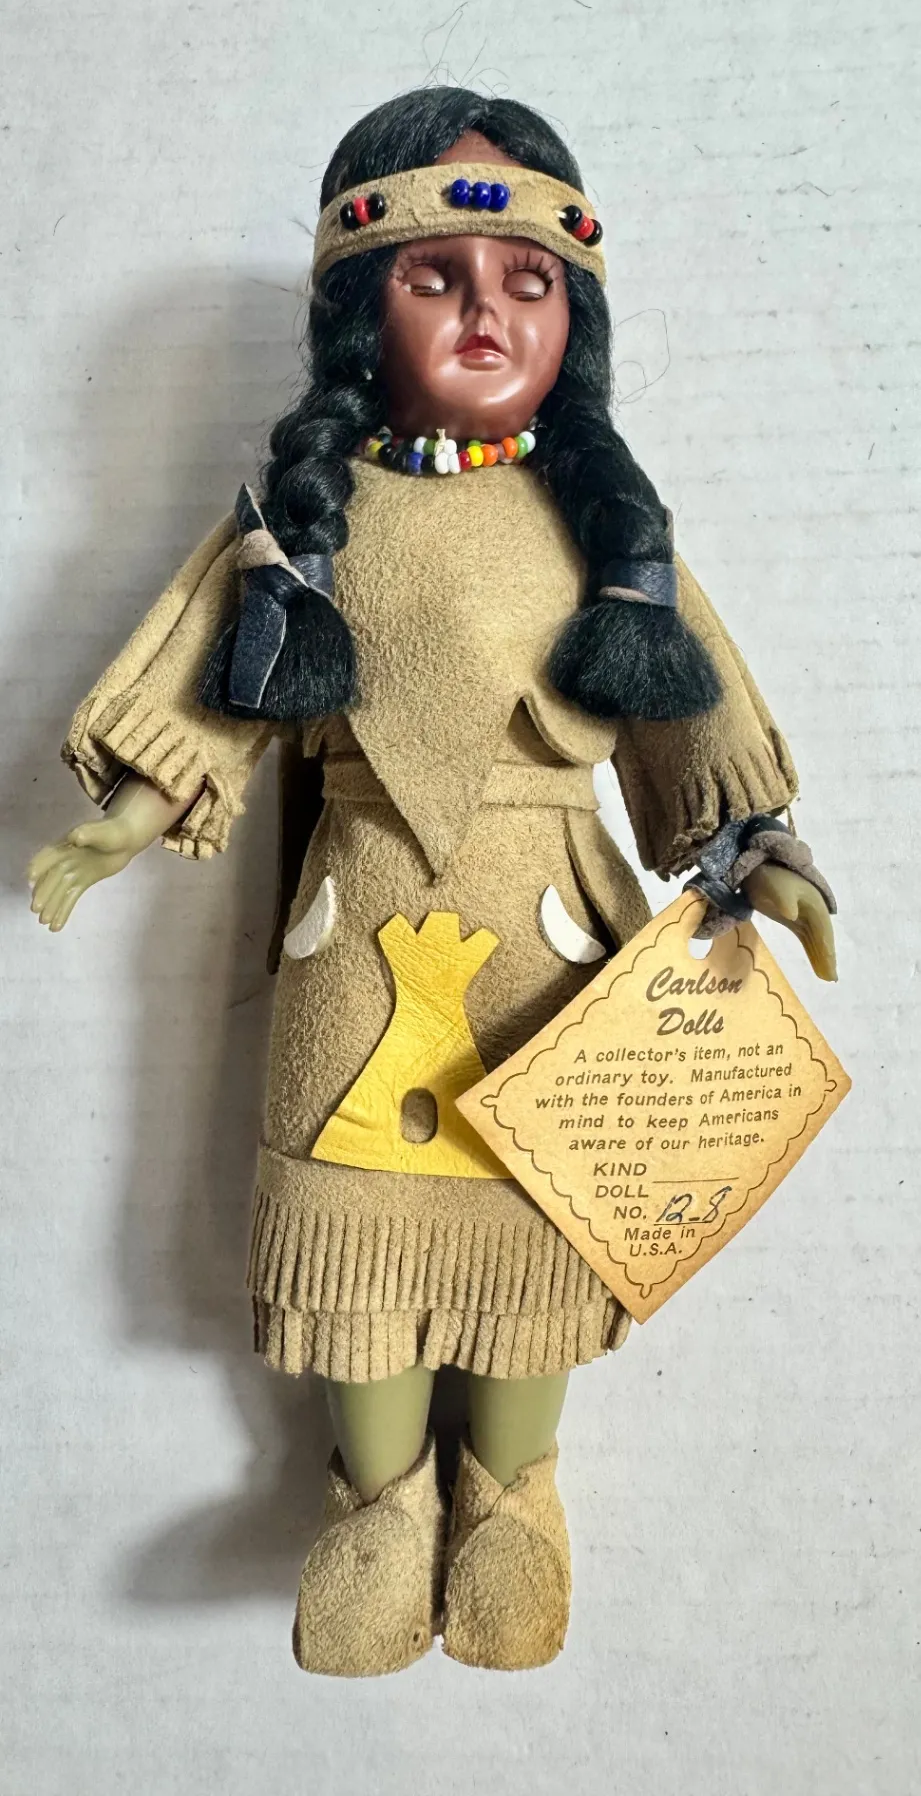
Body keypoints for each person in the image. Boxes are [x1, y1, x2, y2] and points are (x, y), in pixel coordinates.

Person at [28, 88, 836, 1676]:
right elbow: (216, 680)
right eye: (435, 278)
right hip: (358, 927)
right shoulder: (308, 520)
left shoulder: (612, 532)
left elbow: (693, 719)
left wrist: (756, 848)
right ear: (359, 307)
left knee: (539, 1227)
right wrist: (131, 811)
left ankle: (515, 1497)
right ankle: (380, 1501)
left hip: (560, 958)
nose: (486, 313)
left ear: (576, 317)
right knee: (358, 1230)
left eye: (529, 282)